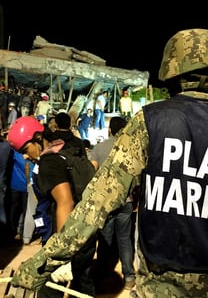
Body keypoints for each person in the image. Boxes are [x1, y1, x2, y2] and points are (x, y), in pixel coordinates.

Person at [9, 29, 208, 297]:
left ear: (172, 70)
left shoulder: (149, 123)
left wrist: (40, 264)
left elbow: (95, 207)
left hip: (160, 288)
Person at [7, 116, 97, 298]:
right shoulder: (66, 148)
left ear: (38, 138)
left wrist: (61, 255)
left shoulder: (49, 162)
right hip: (86, 229)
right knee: (83, 282)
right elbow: (93, 165)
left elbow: (65, 202)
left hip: (66, 236)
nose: (25, 156)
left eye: (25, 149)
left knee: (48, 289)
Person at [92, 116, 136, 289]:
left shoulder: (99, 148)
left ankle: (103, 273)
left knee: (105, 239)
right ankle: (129, 277)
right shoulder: (130, 149)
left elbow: (93, 173)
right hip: (126, 200)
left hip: (106, 202)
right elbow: (136, 175)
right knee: (125, 239)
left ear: (109, 129)